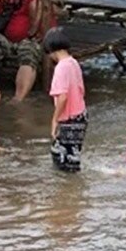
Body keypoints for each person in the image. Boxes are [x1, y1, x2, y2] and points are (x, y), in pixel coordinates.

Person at [0, 0, 49, 102]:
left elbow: (37, 12)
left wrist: (32, 33)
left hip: (28, 38)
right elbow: (0, 13)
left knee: (28, 54)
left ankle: (18, 98)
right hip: (7, 39)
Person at [45, 28, 86, 173]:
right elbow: (82, 90)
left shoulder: (61, 68)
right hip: (80, 115)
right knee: (72, 156)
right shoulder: (73, 62)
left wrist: (55, 119)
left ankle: (67, 192)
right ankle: (71, 190)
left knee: (63, 159)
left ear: (51, 50)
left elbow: (62, 97)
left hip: (69, 119)